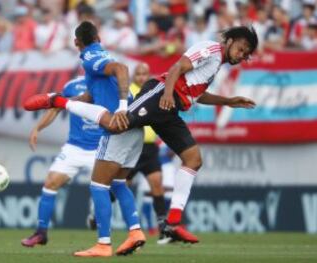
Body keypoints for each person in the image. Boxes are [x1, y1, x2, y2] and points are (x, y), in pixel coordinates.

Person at [25, 25, 258, 245]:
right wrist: (167, 94)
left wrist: (227, 101)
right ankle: (58, 100)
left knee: (194, 160)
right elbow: (177, 67)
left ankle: (172, 223)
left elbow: (197, 94)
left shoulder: (217, 63)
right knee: (117, 124)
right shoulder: (210, 49)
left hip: (170, 110)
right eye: (240, 48)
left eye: (245, 54)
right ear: (228, 41)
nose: (241, 55)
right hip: (158, 96)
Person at [25, 21, 147, 257]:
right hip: (135, 128)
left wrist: (121, 107)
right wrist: (67, 101)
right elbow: (93, 95)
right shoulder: (100, 55)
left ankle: (103, 244)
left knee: (98, 185)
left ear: (76, 42)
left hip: (118, 125)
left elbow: (121, 68)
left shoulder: (91, 56)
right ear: (99, 37)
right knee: (119, 184)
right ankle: (135, 232)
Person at [21, 76, 104, 247]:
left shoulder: (107, 85)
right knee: (50, 183)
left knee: (106, 190)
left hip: (100, 148)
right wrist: (38, 128)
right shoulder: (72, 86)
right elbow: (54, 109)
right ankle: (41, 233)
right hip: (74, 147)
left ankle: (102, 227)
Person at [127, 63, 169, 244]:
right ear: (133, 76)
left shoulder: (153, 91)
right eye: (139, 74)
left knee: (157, 185)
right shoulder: (127, 93)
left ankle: (163, 229)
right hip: (131, 147)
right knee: (122, 187)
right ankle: (96, 215)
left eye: (145, 73)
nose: (142, 77)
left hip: (150, 148)